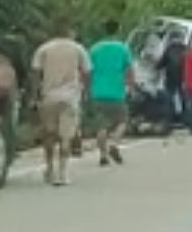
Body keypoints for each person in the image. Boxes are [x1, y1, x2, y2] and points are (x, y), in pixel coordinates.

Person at [31, 23, 91, 186]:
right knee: (66, 137)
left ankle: (49, 168)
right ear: (70, 32)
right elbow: (87, 72)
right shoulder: (78, 49)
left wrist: (34, 95)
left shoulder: (44, 49)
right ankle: (62, 172)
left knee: (49, 134)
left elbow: (36, 73)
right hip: (70, 98)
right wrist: (85, 91)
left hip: (49, 97)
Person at [89, 19, 134, 166]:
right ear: (118, 30)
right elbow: (129, 70)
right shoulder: (123, 48)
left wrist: (87, 88)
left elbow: (88, 70)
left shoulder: (95, 49)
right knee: (122, 121)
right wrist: (130, 86)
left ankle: (103, 155)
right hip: (117, 92)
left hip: (98, 91)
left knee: (101, 126)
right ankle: (114, 144)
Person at [158, 32, 187, 133]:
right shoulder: (185, 49)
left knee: (169, 99)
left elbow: (161, 63)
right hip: (183, 77)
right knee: (184, 98)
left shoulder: (169, 49)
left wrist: (156, 67)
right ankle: (185, 119)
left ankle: (169, 120)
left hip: (170, 77)